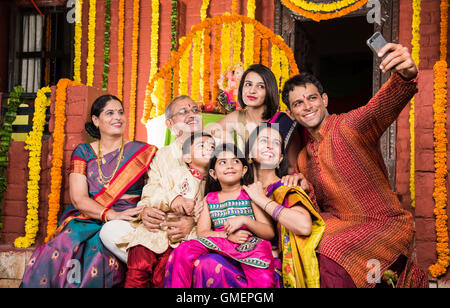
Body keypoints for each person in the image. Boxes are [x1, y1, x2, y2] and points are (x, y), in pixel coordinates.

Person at [282, 43, 428, 288]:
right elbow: (315, 209)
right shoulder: (303, 158)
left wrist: (405, 75)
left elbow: (379, 109)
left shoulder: (350, 126)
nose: (306, 106)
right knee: (298, 243)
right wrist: (302, 187)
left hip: (383, 222)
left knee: (332, 253)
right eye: (298, 103)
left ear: (325, 99)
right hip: (339, 223)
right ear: (291, 114)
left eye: (312, 98)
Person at [21, 95, 157, 288]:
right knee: (64, 245)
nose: (117, 117)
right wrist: (112, 214)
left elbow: (158, 190)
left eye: (120, 112)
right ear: (96, 120)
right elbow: (78, 199)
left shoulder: (143, 152)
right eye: (109, 113)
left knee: (104, 250)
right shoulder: (84, 152)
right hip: (89, 217)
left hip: (129, 219)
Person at [100, 96, 202, 264]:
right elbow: (151, 190)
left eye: (195, 110)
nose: (192, 115)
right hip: (163, 224)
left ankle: (169, 269)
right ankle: (163, 268)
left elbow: (224, 195)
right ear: (170, 124)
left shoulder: (218, 149)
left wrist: (194, 222)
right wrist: (147, 211)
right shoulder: (162, 155)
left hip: (199, 228)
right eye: (184, 112)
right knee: (110, 230)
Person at [164, 143, 276, 288]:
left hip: (250, 248)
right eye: (222, 162)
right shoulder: (209, 199)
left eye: (235, 161)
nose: (230, 166)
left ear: (244, 170)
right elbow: (202, 233)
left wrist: (245, 220)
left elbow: (269, 232)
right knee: (184, 249)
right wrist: (226, 236)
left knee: (264, 283)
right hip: (221, 245)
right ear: (213, 174)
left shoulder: (250, 195)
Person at [116, 132, 215, 288]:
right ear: (187, 157)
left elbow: (212, 216)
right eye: (202, 145)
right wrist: (173, 199)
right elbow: (152, 196)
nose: (208, 149)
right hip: (152, 233)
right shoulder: (174, 175)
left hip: (178, 241)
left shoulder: (214, 185)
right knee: (138, 271)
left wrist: (196, 216)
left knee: (162, 277)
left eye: (212, 147)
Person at [215, 64, 305, 176]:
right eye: (248, 84)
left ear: (269, 91)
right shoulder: (236, 117)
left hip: (275, 186)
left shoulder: (283, 122)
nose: (252, 91)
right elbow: (206, 136)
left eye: (260, 86)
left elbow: (292, 169)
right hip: (243, 184)